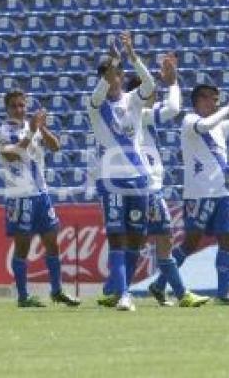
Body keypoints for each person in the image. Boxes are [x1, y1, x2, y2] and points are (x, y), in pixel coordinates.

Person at [114, 54, 209, 307]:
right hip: (147, 187)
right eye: (152, 91)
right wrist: (173, 83)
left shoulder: (137, 115)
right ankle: (181, 294)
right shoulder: (140, 114)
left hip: (145, 185)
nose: (155, 94)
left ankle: (116, 289)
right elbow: (174, 108)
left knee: (143, 240)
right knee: (162, 238)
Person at [148, 85, 229, 305]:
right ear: (198, 101)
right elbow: (205, 125)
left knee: (228, 239)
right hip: (199, 194)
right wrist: (228, 108)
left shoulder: (221, 126)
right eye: (210, 99)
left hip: (222, 193)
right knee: (191, 243)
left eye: (216, 99)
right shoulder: (190, 121)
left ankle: (223, 293)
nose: (214, 103)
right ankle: (159, 284)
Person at [0, 90, 81, 308]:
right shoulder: (2, 131)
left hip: (41, 194)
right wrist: (32, 132)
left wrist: (41, 128)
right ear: (7, 109)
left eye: (22, 105)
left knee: (52, 241)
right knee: (22, 246)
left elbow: (56, 146)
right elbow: (11, 154)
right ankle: (23, 296)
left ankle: (57, 290)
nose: (19, 109)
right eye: (14, 106)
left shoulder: (32, 127)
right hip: (20, 195)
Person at [88, 32, 155, 312]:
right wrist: (115, 60)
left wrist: (133, 56)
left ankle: (119, 290)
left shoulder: (133, 100)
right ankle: (125, 294)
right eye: (106, 74)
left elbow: (150, 84)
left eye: (115, 73)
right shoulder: (95, 105)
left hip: (138, 177)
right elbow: (97, 93)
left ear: (122, 75)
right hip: (111, 179)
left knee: (137, 238)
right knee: (116, 235)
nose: (111, 77)